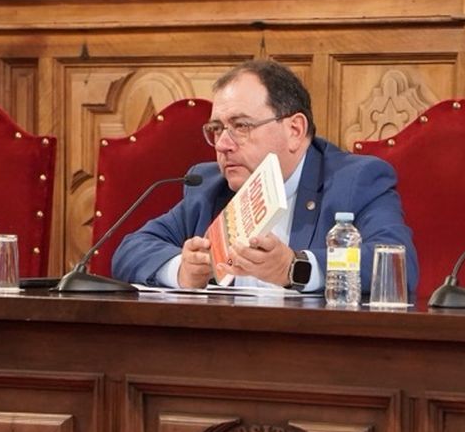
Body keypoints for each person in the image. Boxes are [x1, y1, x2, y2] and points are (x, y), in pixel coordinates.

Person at [112, 59, 417, 296]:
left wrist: (295, 268)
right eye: (217, 129)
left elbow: (395, 265)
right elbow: (130, 250)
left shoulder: (355, 180)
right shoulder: (209, 186)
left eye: (241, 126)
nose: (222, 144)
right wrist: (182, 270)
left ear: (294, 130)